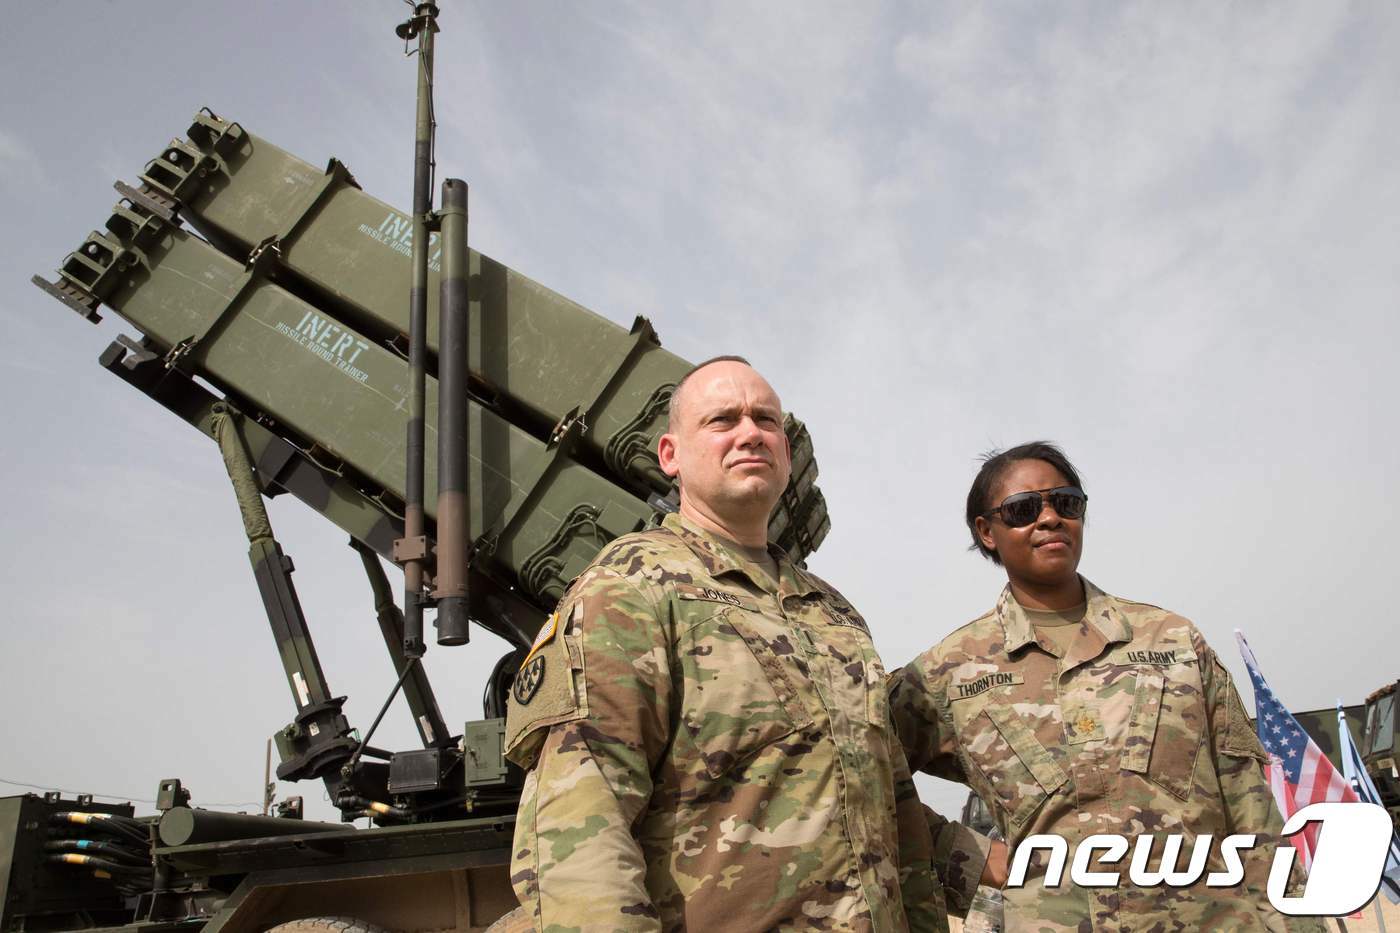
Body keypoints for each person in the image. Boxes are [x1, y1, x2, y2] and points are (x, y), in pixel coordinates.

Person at [502, 357, 948, 931]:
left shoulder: (835, 615)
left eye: (766, 420)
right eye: (722, 420)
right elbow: (579, 823)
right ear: (671, 456)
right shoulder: (629, 591)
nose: (749, 432)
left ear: (785, 453)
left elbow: (892, 811)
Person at [888, 441, 1322, 932]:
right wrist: (970, 859)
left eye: (1065, 502)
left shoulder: (1175, 641)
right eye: (1024, 509)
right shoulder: (948, 673)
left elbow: (1249, 804)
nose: (1050, 518)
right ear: (987, 532)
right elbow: (856, 777)